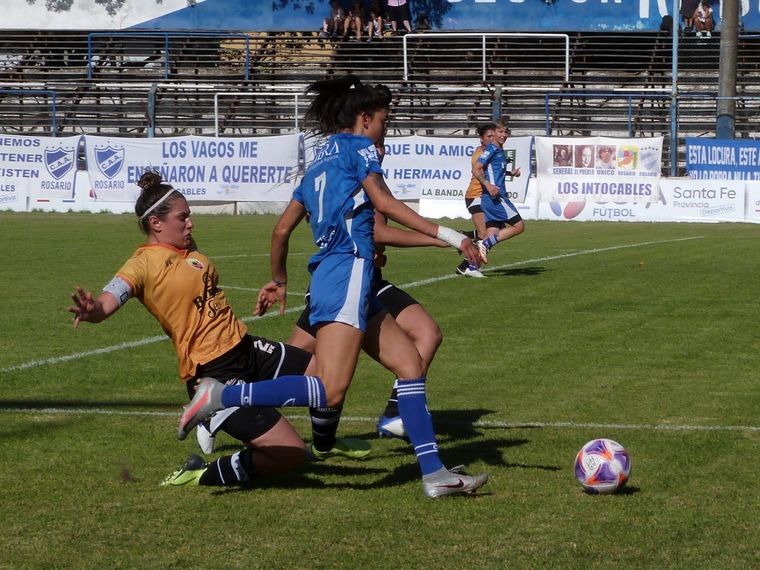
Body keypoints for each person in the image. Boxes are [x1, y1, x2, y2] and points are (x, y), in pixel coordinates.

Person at [179, 75, 488, 498]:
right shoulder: (359, 148)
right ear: (363, 119)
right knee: (329, 387)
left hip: (333, 274)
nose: (385, 130)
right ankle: (223, 395)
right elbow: (386, 206)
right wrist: (454, 235)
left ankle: (435, 475)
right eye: (383, 121)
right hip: (348, 272)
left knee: (410, 366)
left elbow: (281, 231)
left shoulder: (318, 164)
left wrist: (279, 279)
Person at [67, 171, 362, 489]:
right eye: (183, 217)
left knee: (326, 375)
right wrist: (92, 310)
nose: (190, 223)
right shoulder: (141, 265)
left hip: (246, 347)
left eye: (190, 216)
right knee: (290, 456)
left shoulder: (186, 247)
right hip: (212, 371)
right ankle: (201, 468)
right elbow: (108, 302)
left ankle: (321, 446)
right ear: (156, 223)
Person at [471, 122, 525, 263]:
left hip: (490, 198)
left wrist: (510, 173)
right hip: (495, 197)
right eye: (500, 132)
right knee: (519, 226)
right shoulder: (491, 150)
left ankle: (471, 266)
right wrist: (488, 185)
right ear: (493, 133)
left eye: (505, 132)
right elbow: (476, 169)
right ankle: (484, 244)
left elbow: (493, 172)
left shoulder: (499, 150)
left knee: (492, 235)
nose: (503, 135)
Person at [456, 122, 497, 279]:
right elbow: (480, 171)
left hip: (484, 196)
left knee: (495, 229)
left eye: (494, 135)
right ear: (481, 138)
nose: (492, 139)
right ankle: (469, 266)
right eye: (489, 136)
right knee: (485, 234)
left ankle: (465, 236)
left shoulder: (491, 152)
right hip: (476, 196)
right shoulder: (480, 154)